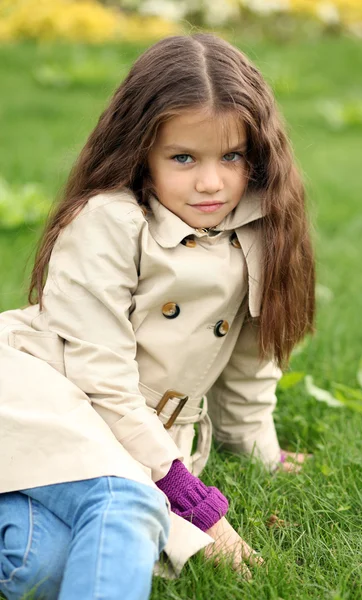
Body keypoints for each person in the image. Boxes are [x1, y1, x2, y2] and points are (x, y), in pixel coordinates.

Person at [0, 32, 315, 600]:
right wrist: (191, 498)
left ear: (258, 153)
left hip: (134, 434)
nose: (211, 182)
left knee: (38, 566)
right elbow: (104, 386)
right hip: (48, 400)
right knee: (128, 502)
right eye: (183, 158)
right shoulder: (108, 222)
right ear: (141, 154)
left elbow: (250, 361)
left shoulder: (262, 229)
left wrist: (259, 449)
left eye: (232, 157)